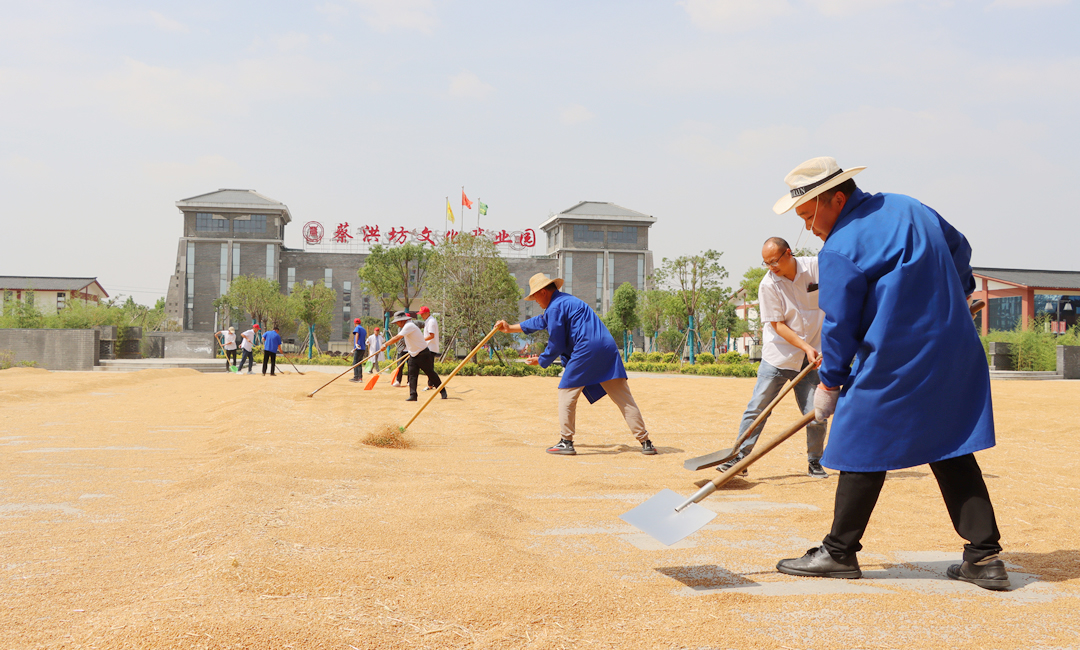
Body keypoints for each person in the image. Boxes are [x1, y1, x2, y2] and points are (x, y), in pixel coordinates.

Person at [770, 157, 1007, 590]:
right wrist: (958, 292)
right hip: (953, 348)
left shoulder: (840, 247)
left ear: (835, 199)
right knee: (949, 441)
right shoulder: (910, 206)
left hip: (897, 356)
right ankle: (984, 557)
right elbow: (960, 248)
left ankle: (838, 552)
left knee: (859, 437)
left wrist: (830, 383)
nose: (808, 227)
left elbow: (840, 325)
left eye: (808, 215)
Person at [495, 273, 657, 456]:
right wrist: (509, 328)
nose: (535, 301)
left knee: (566, 393)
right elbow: (541, 321)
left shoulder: (555, 307)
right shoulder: (566, 301)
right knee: (624, 398)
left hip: (586, 348)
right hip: (607, 348)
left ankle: (566, 441)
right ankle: (646, 442)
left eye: (534, 297)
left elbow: (557, 343)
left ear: (542, 292)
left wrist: (542, 360)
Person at [717, 236, 828, 479]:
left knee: (815, 412)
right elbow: (777, 325)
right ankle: (739, 458)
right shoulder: (768, 285)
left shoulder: (816, 267)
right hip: (778, 356)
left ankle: (815, 461)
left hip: (812, 358)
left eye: (774, 261)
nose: (771, 267)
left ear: (789, 253)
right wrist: (804, 346)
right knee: (757, 408)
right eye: (766, 263)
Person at [382, 310, 446, 402]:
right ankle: (413, 395)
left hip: (423, 354)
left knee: (430, 373)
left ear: (402, 320)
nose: (397, 324)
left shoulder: (409, 325)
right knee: (412, 375)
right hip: (413, 354)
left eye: (397, 322)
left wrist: (385, 345)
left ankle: (442, 391)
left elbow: (397, 338)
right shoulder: (406, 326)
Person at [419, 306, 441, 390]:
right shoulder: (428, 321)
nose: (421, 316)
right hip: (428, 346)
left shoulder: (431, 321)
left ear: (427, 313)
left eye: (422, 314)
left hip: (430, 347)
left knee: (429, 367)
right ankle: (431, 384)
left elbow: (431, 335)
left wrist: (421, 340)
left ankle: (432, 384)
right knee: (429, 367)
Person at [349, 318, 367, 383]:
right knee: (359, 363)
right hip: (363, 348)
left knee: (355, 363)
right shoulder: (363, 329)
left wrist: (356, 344)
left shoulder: (357, 328)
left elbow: (357, 334)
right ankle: (360, 378)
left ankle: (356, 377)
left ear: (354, 323)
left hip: (358, 348)